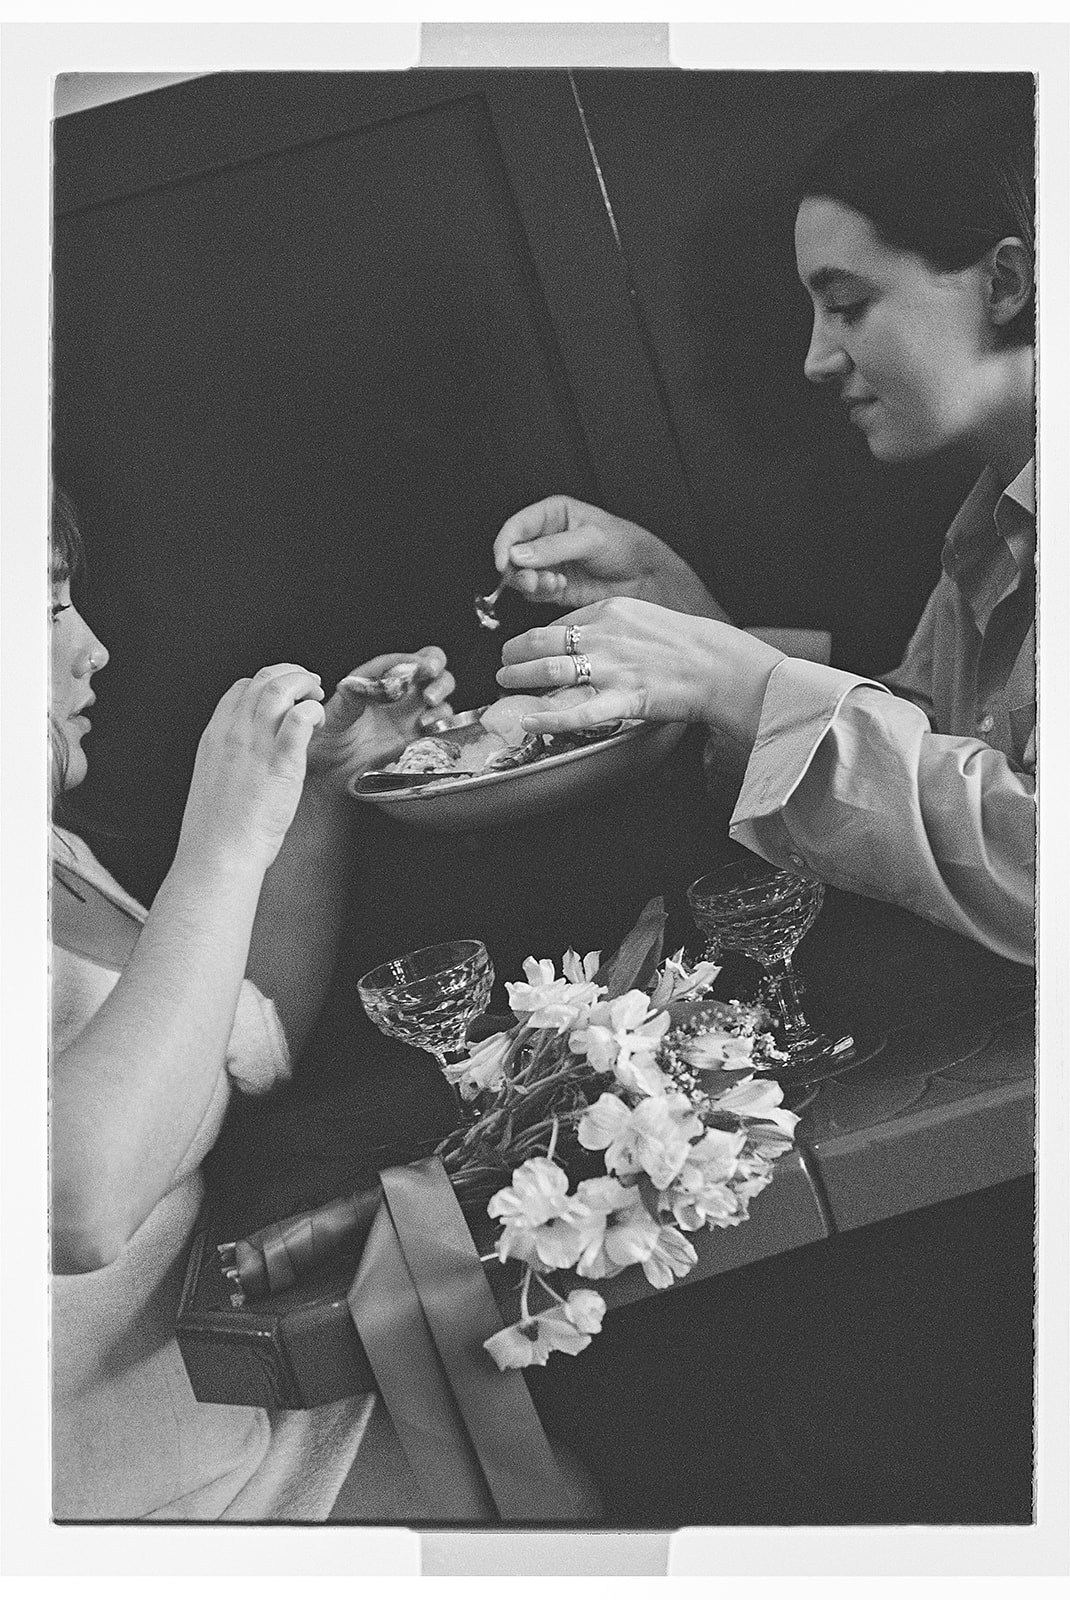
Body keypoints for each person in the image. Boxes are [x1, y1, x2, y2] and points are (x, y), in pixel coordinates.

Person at [492, 76, 1036, 968]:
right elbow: (929, 743)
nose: (818, 358)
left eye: (849, 304)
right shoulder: (995, 522)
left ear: (1006, 281)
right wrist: (692, 622)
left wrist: (741, 682)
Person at [49, 485, 456, 1520]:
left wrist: (313, 788)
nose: (91, 648)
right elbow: (77, 1204)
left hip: (261, 1428)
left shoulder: (50, 851)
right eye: (44, 607)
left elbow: (237, 1042)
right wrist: (220, 844)